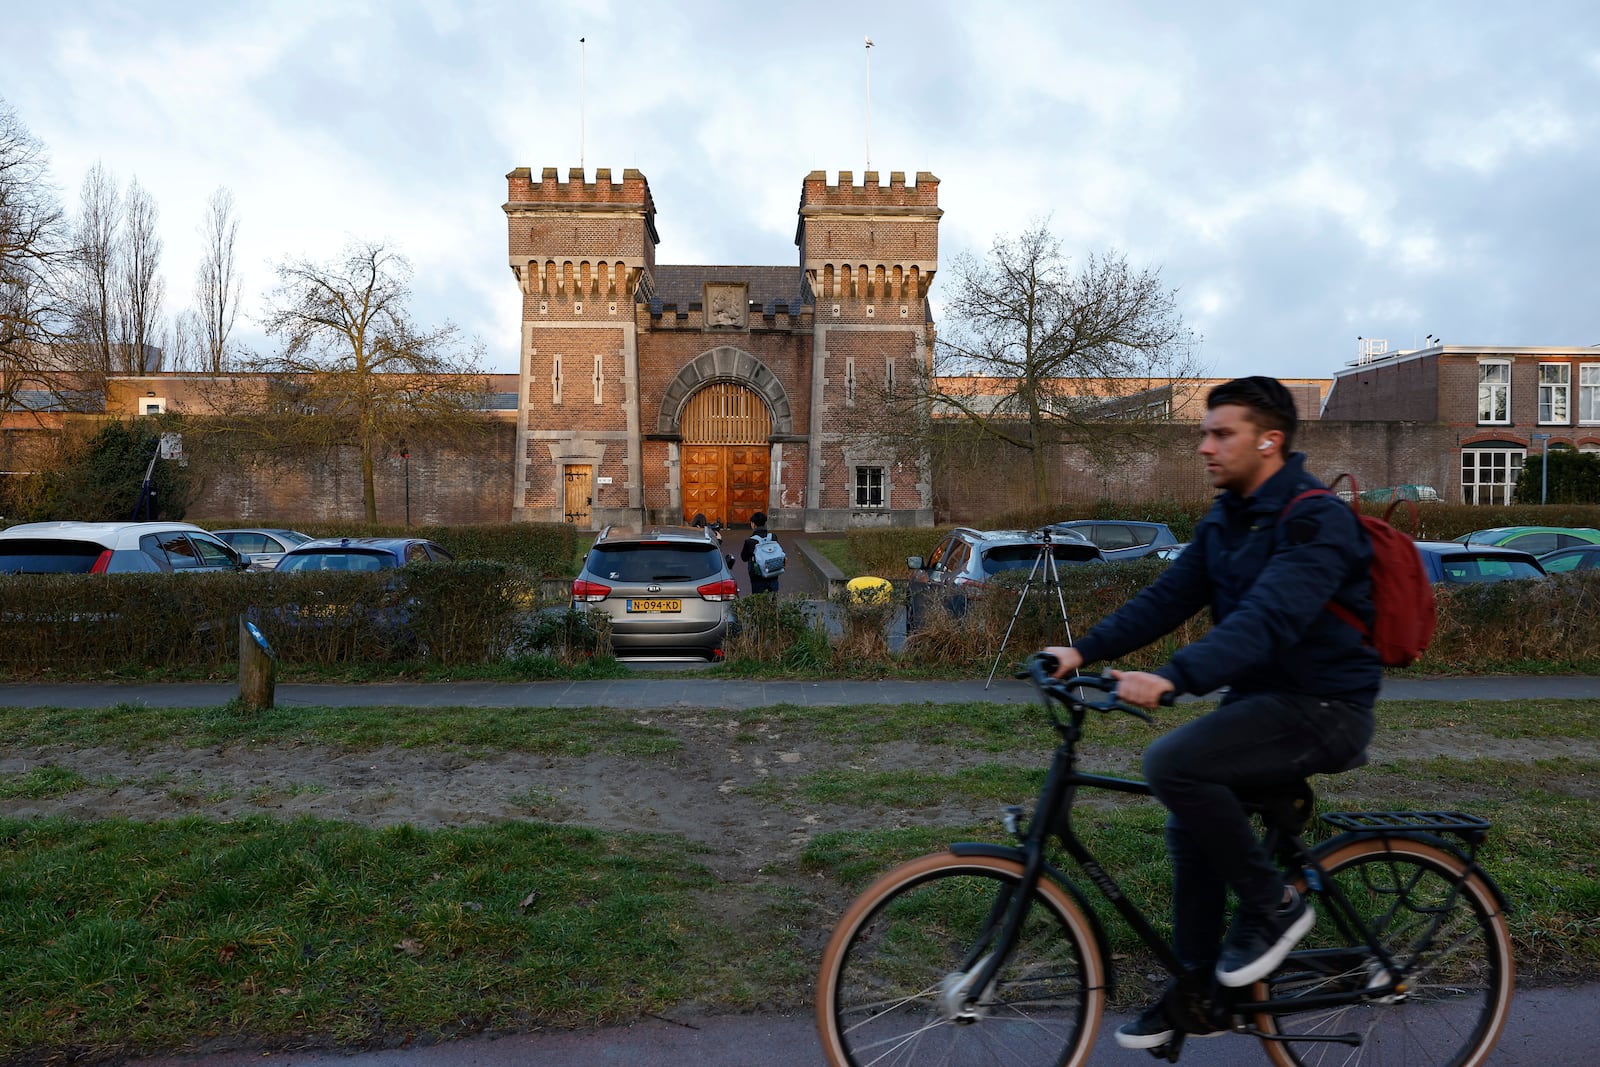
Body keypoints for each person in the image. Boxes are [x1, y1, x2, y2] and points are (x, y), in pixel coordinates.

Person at [1041, 376, 1380, 1051]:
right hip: (1264, 703)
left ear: (1269, 439)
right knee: (1188, 823)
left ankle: (1275, 907)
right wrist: (1081, 651)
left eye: (1220, 433)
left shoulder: (1316, 518)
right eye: (1206, 431)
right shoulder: (1227, 520)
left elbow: (1268, 620)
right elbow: (1167, 598)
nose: (1205, 446)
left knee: (1173, 761)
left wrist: (1172, 678)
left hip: (1326, 707)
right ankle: (1194, 988)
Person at [741, 511, 780, 594]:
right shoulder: (773, 537)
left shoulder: (750, 541)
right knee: (772, 600)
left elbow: (743, 557)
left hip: (757, 577)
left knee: (758, 601)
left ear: (753, 524)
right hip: (773, 573)